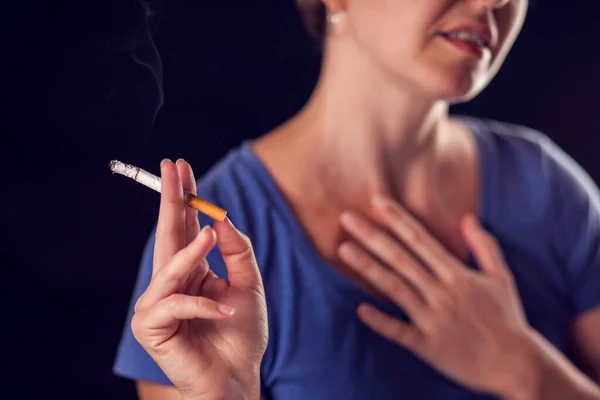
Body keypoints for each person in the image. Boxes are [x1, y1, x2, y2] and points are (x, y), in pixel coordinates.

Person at [113, 0, 600, 399]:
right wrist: (228, 393)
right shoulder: (201, 247)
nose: (495, 2)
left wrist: (526, 371)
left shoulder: (549, 189)